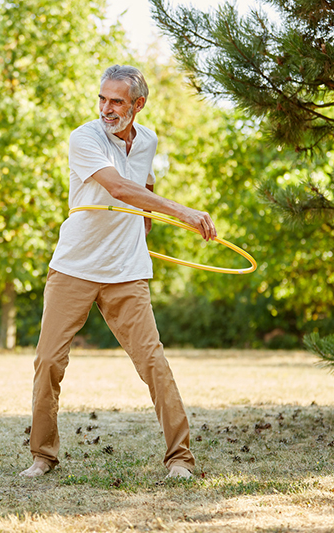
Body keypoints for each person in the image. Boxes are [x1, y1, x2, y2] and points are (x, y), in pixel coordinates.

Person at [20, 65, 217, 480]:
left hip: (126, 269)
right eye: (102, 99)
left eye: (117, 101)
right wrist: (183, 212)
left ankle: (180, 459)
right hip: (75, 266)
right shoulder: (85, 137)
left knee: (153, 361)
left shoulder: (147, 139)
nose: (106, 108)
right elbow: (120, 189)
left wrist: (145, 219)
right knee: (49, 361)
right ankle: (43, 455)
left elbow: (141, 183)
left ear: (138, 105)